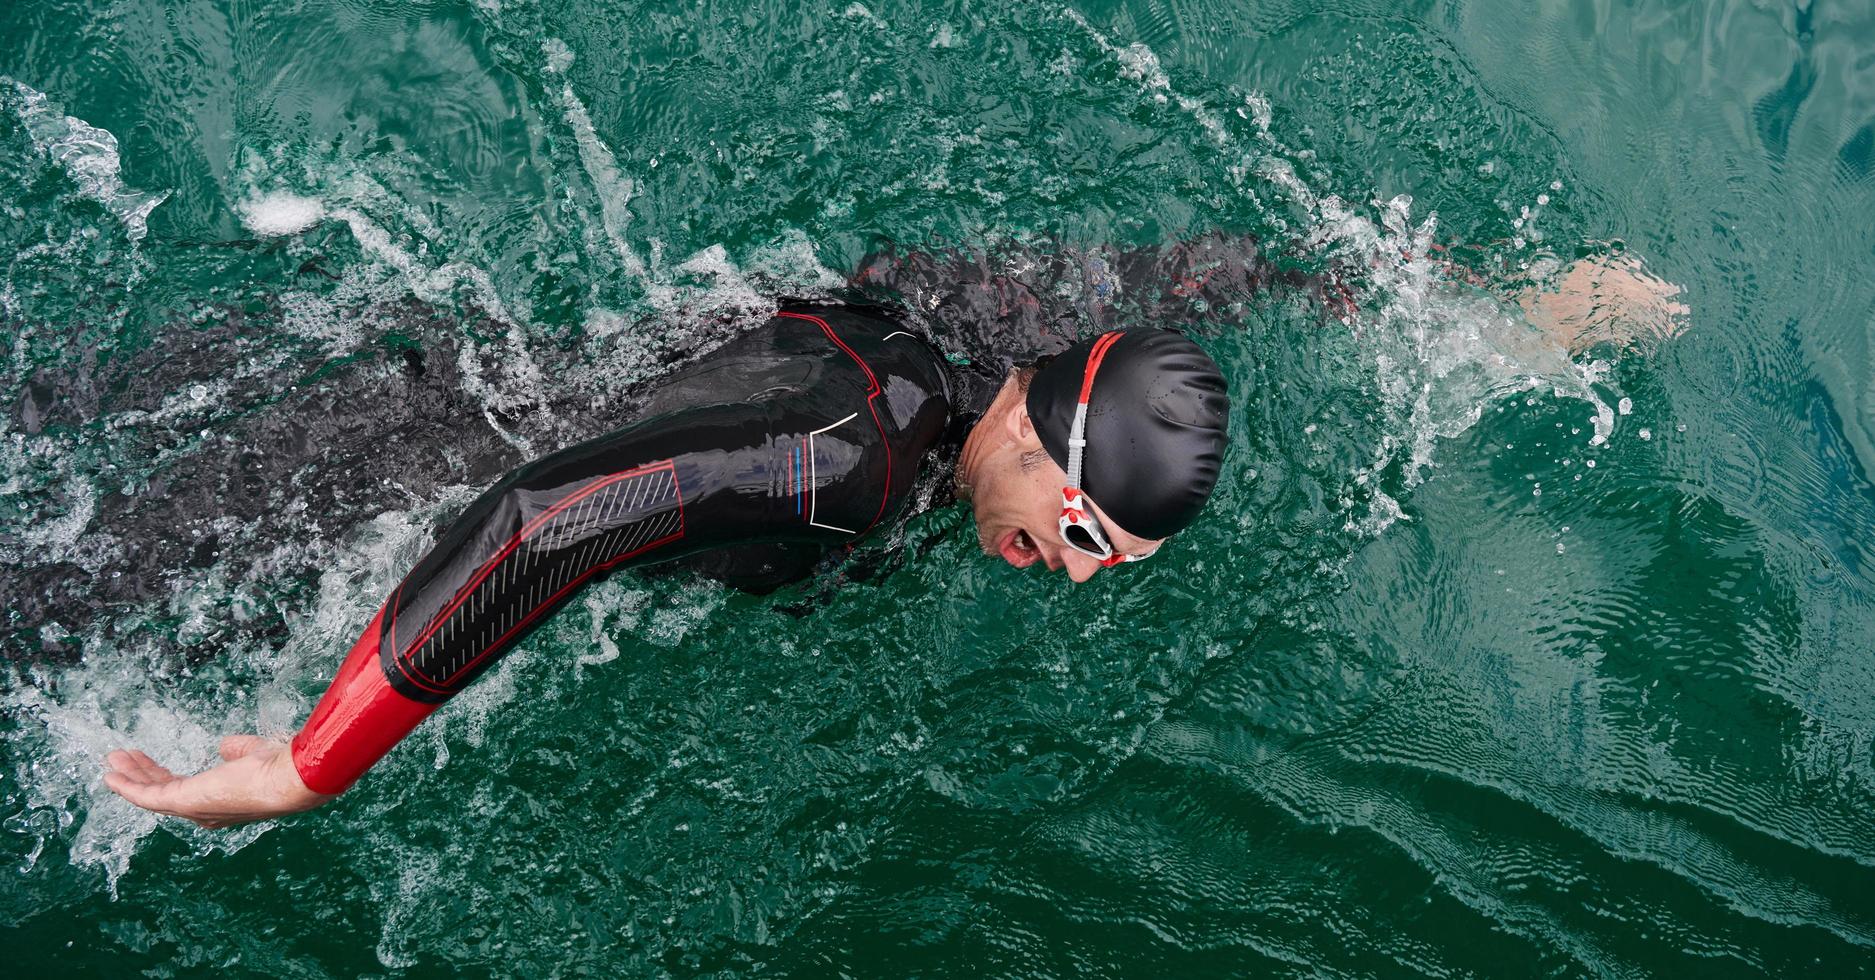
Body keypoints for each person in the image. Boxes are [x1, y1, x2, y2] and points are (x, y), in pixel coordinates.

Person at [102, 237, 1686, 828]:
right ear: (1026, 433)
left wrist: (1514, 309)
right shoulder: (839, 465)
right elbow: (552, 511)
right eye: (1073, 533)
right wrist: (309, 769)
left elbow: (1233, 272)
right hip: (382, 472)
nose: (1066, 578)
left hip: (474, 370)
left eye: (1100, 567)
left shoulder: (1019, 339)